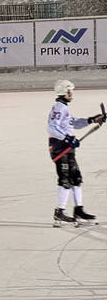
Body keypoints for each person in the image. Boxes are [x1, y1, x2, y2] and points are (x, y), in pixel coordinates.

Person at [48, 80, 104, 226]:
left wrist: (92, 119)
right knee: (65, 179)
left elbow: (74, 123)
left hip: (67, 148)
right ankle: (60, 212)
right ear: (64, 92)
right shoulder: (58, 108)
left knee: (76, 178)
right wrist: (67, 138)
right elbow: (52, 128)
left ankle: (78, 209)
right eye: (70, 91)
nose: (72, 93)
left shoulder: (64, 108)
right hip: (61, 148)